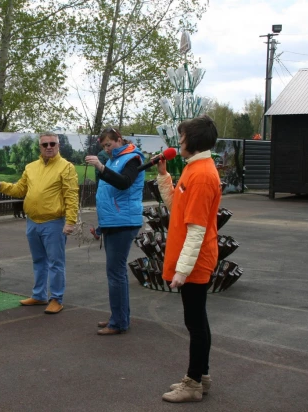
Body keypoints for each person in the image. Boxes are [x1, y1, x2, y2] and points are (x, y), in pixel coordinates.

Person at [156, 115, 221, 403]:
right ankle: (201, 377)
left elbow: (196, 230)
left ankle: (193, 383)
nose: (178, 142)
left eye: (181, 138)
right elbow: (177, 207)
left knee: (195, 323)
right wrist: (163, 176)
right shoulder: (193, 169)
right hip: (190, 259)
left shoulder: (203, 175)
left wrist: (182, 270)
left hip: (195, 260)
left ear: (191, 141)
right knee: (197, 321)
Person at [0, 132, 79, 314]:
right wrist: (1, 185)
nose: (49, 147)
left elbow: (71, 195)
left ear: (58, 145)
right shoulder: (31, 167)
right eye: (45, 144)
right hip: (32, 222)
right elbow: (20, 189)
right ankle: (38, 295)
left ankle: (56, 298)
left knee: (55, 263)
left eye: (52, 143)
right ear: (40, 147)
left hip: (54, 222)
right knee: (38, 260)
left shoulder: (66, 167)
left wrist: (70, 221)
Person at [85, 128, 145, 335]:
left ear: (119, 140)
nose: (106, 149)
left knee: (116, 273)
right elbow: (109, 197)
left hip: (124, 222)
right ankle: (119, 317)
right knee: (116, 273)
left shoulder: (132, 159)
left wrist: (101, 167)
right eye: (103, 146)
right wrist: (101, 227)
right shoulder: (114, 160)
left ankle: (119, 322)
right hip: (113, 222)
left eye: (109, 145)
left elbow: (124, 184)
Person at [90, 147, 110, 241]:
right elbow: (99, 173)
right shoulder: (102, 155)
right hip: (106, 186)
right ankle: (99, 231)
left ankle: (98, 231)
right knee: (107, 210)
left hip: (112, 186)